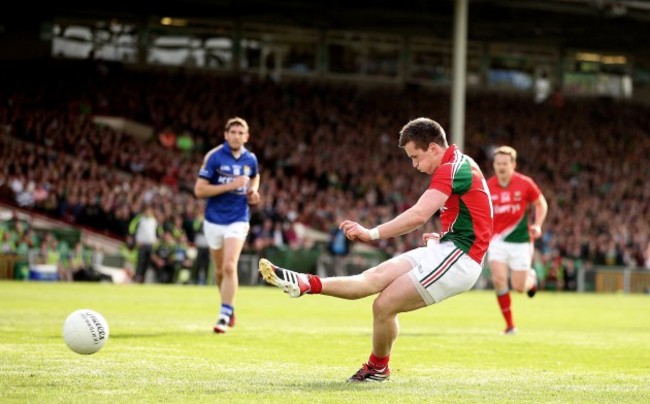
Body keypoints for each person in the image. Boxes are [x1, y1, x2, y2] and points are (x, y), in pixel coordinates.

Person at [258, 117, 493, 382]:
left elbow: (418, 216)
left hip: (460, 258)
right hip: (449, 248)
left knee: (383, 305)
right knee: (374, 279)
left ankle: (377, 368)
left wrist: (372, 233)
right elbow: (478, 212)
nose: (414, 165)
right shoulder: (459, 165)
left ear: (434, 149)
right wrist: (445, 235)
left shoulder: (451, 168)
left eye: (416, 157)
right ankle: (305, 283)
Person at [194, 117, 260, 334]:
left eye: (241, 133)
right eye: (233, 132)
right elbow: (200, 190)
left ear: (246, 136)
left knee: (231, 266)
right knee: (221, 270)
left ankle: (223, 314)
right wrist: (232, 185)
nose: (236, 136)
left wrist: (253, 192)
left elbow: (255, 176)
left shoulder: (250, 159)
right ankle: (228, 306)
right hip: (213, 220)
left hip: (238, 219)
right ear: (226, 134)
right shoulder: (213, 157)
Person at [486, 145, 548, 335]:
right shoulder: (488, 186)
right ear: (494, 165)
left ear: (513, 164)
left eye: (505, 163)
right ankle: (510, 326)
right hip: (496, 241)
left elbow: (541, 204)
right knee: (498, 280)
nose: (501, 167)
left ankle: (531, 279)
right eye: (498, 163)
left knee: (519, 288)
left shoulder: (525, 183)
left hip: (521, 241)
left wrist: (537, 224)